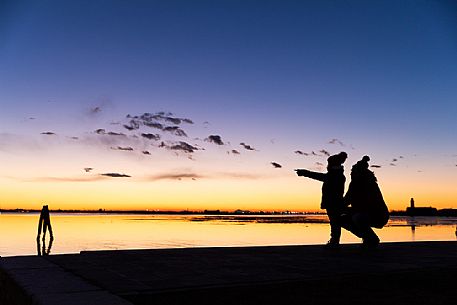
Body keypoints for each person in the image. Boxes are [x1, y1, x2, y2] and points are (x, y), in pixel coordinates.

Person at [296, 152, 348, 248]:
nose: (327, 166)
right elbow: (320, 176)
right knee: (335, 222)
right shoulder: (336, 175)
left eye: (329, 164)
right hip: (334, 203)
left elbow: (319, 176)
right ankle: (334, 241)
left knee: (335, 222)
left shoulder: (334, 175)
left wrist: (304, 173)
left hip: (333, 203)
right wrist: (304, 173)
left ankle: (334, 242)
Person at [341, 156, 389, 248]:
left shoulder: (368, 184)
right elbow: (346, 201)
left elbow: (366, 206)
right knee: (342, 219)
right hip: (365, 213)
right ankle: (367, 237)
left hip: (378, 215)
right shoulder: (355, 184)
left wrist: (345, 208)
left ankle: (371, 239)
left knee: (358, 217)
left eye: (353, 171)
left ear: (359, 173)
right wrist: (338, 206)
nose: (351, 173)